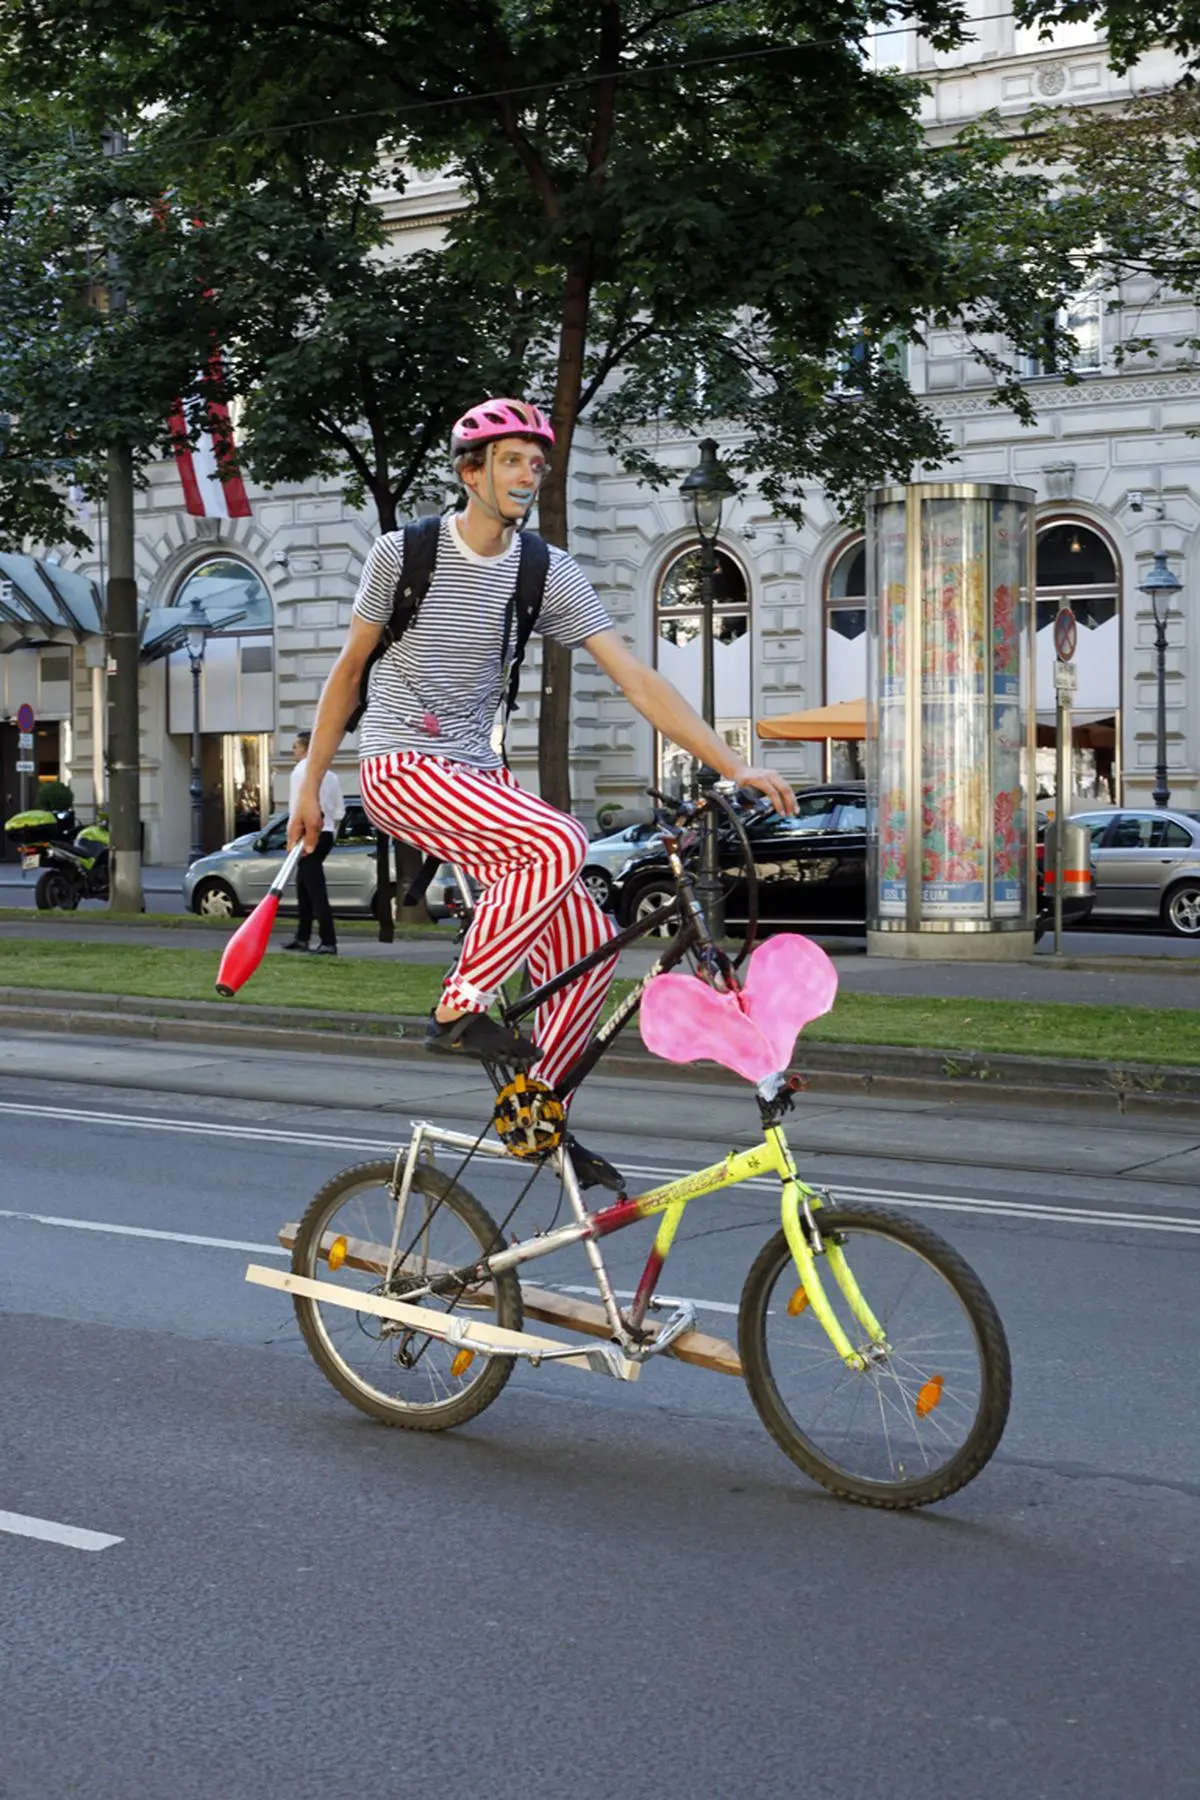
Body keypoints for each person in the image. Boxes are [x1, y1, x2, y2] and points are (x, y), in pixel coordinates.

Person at [289, 397, 795, 1185]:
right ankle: (459, 1007)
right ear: (472, 471)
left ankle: (540, 1116)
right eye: (513, 461)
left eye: (537, 463)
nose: (530, 475)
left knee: (591, 950)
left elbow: (636, 678)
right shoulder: (405, 553)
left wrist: (733, 763)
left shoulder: (544, 570)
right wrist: (310, 780)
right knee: (558, 839)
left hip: (476, 775)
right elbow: (348, 671)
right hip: (398, 766)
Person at [284, 730, 344, 955]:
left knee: (315, 890)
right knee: (304, 886)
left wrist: (293, 834)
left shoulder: (300, 772)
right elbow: (339, 811)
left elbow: (296, 806)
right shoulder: (331, 774)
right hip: (326, 832)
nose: (293, 750)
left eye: (295, 746)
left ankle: (328, 940)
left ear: (304, 747)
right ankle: (302, 936)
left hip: (306, 832)